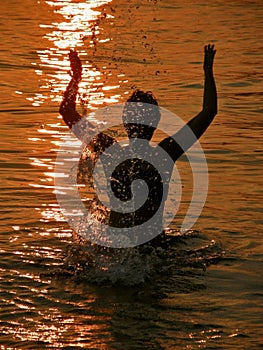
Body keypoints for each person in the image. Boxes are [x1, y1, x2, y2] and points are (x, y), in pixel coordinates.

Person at [59, 44, 217, 246]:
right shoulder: (165, 153)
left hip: (115, 247)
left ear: (125, 121)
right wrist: (207, 71)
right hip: (153, 248)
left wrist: (76, 78)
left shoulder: (109, 150)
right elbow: (209, 111)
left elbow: (66, 111)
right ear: (156, 123)